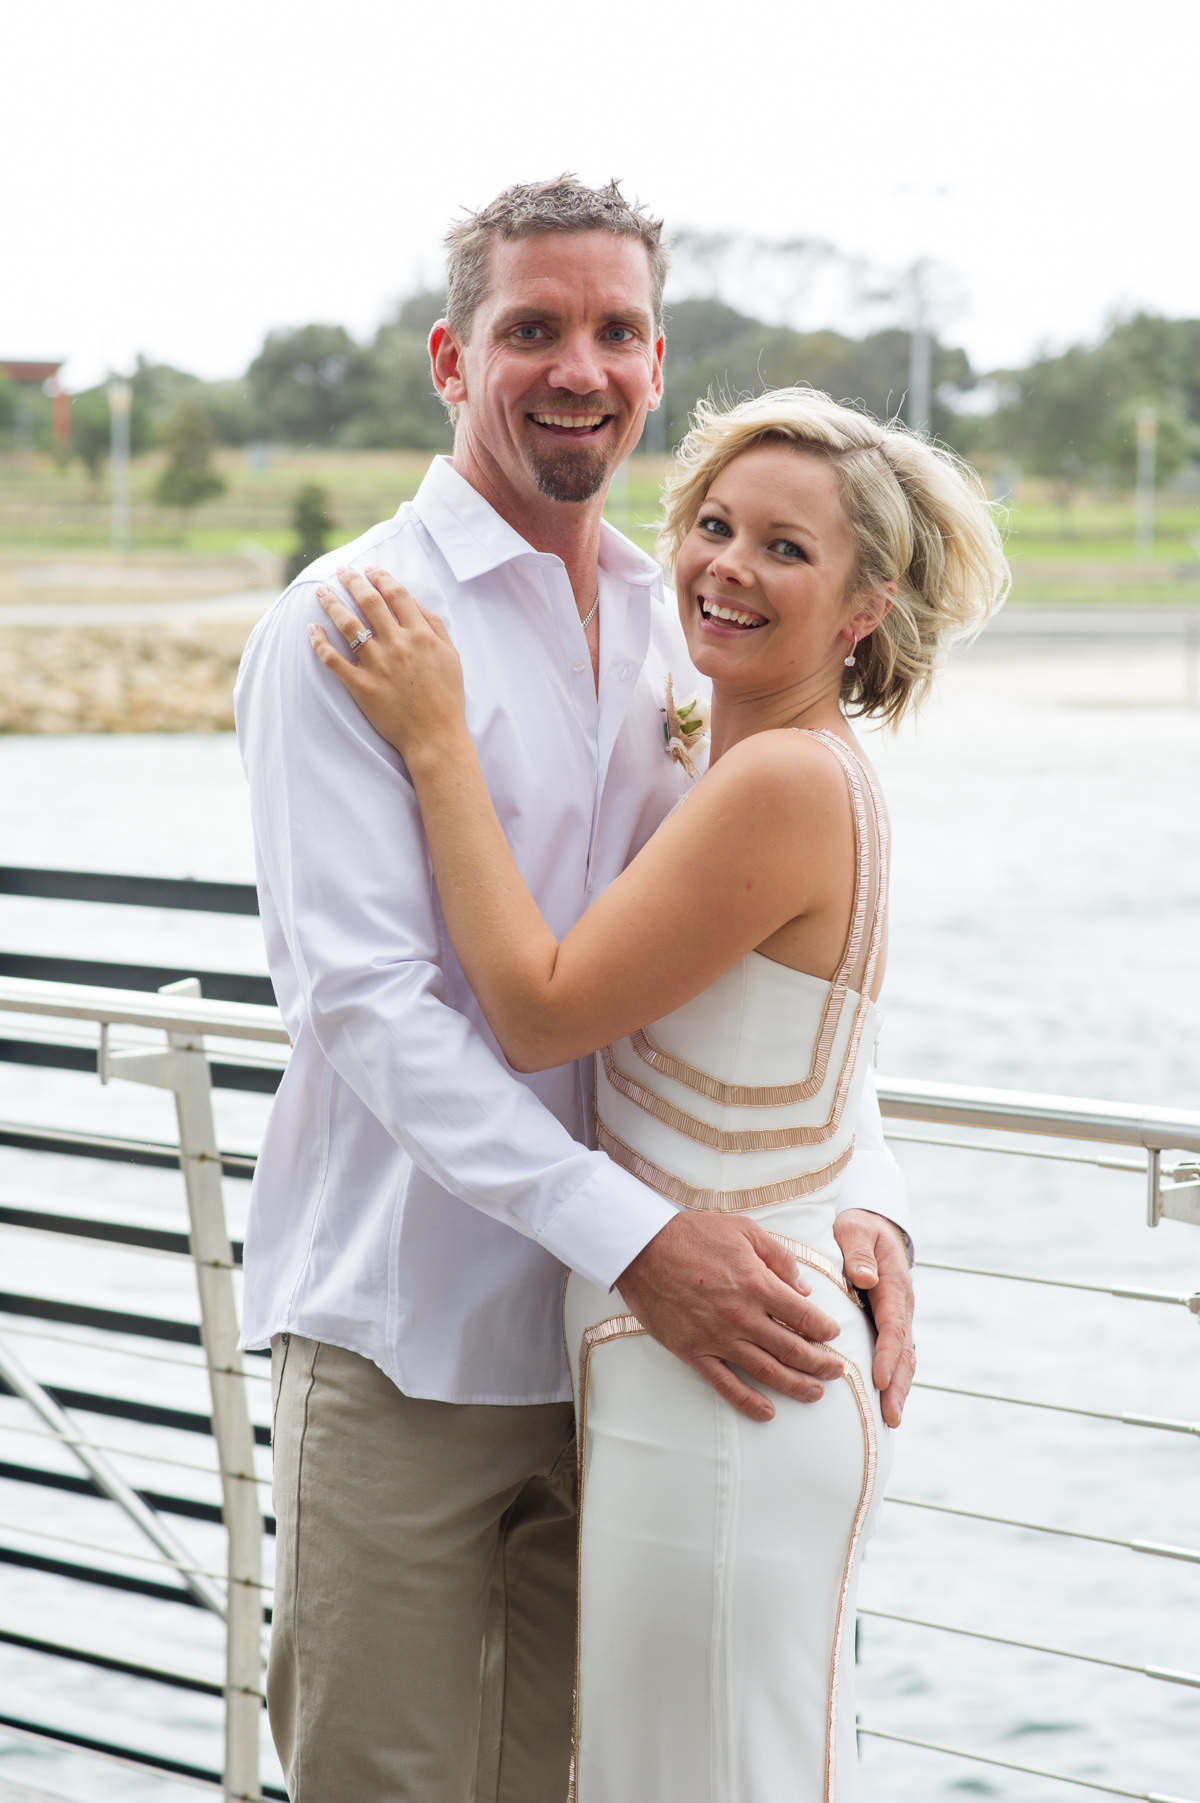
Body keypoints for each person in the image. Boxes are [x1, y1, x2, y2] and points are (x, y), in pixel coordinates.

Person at [234, 176, 922, 1803]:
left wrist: (869, 1192)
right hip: (411, 1338)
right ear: (451, 361)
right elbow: (373, 1010)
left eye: (615, 331)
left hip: (631, 1357)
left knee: (576, 1778)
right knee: (384, 1782)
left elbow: (751, 969)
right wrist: (637, 1235)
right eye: (532, 327)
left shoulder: (686, 617)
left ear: (658, 361)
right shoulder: (345, 627)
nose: (578, 366)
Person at [309, 387, 1007, 1799]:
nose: (729, 567)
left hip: (727, 1365)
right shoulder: (734, 753)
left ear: (866, 607)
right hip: (693, 1353)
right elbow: (805, 1050)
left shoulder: (782, 786)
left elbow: (538, 1008)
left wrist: (438, 741)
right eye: (714, 526)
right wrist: (864, 1195)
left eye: (786, 551)